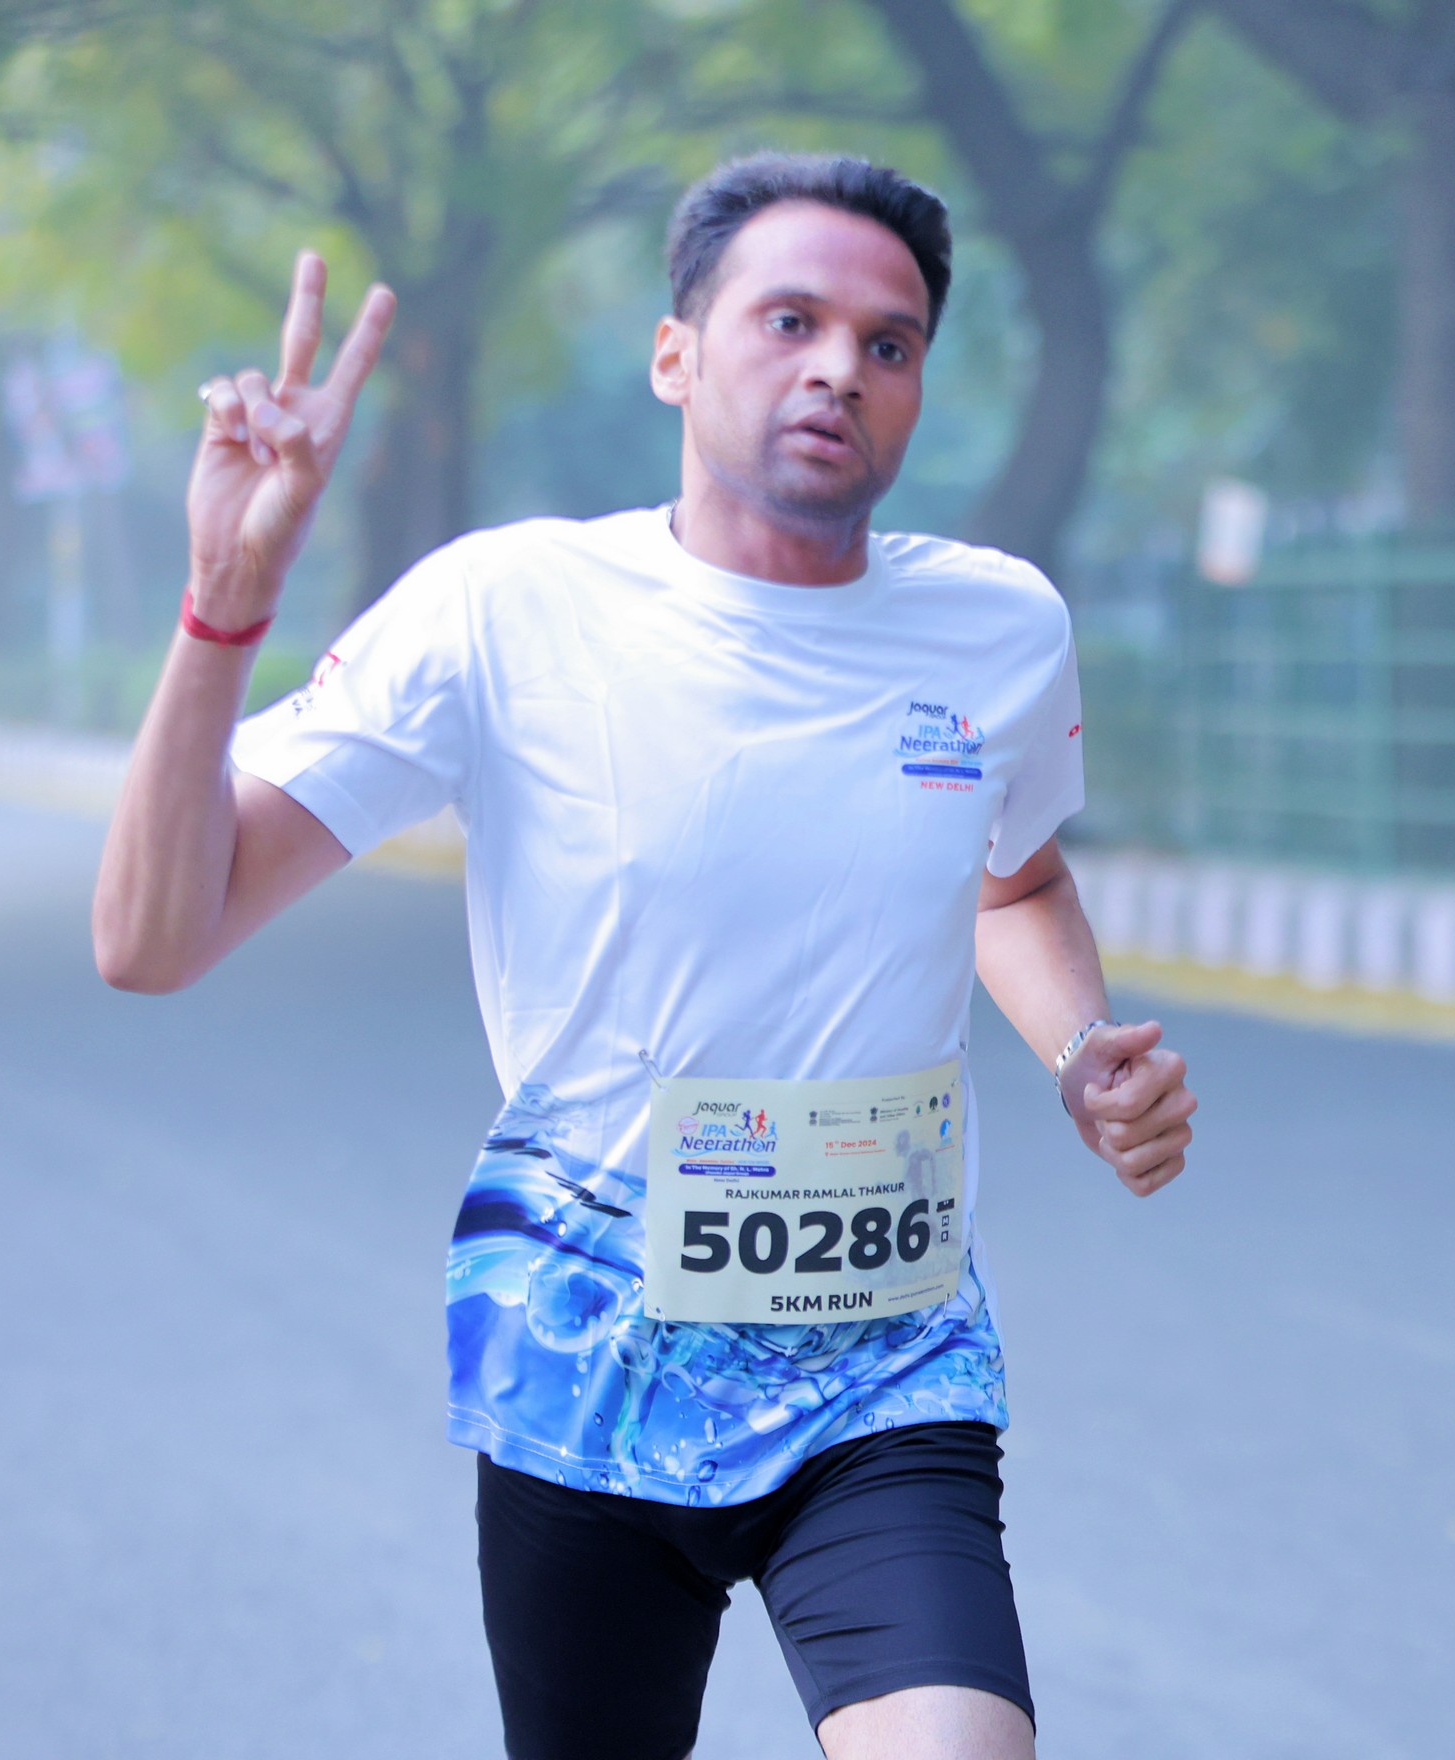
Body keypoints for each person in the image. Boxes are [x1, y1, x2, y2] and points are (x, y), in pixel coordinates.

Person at [92, 151, 1197, 1760]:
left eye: (888, 344)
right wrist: (223, 603)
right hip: (583, 1364)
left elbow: (1012, 885)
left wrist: (1082, 1051)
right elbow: (151, 938)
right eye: (790, 321)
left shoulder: (998, 631)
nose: (840, 368)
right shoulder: (506, 610)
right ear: (675, 354)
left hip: (886, 1368)